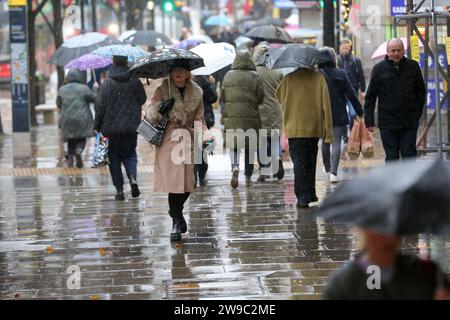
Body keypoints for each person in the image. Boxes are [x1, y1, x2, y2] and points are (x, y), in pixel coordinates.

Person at [147, 62, 209, 241]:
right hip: (169, 138)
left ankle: (176, 212)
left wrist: (205, 137)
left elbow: (200, 119)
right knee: (174, 183)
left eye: (181, 70)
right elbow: (151, 114)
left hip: (188, 138)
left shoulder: (197, 92)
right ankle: (175, 222)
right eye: (175, 70)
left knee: (189, 183)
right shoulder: (163, 89)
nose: (178, 73)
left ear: (188, 73)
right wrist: (161, 109)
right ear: (171, 73)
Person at [324, 228, 450, 299]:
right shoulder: (343, 286)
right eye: (377, 229)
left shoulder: (427, 272)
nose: (387, 238)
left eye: (392, 228)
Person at [276, 67, 333, 208]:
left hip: (294, 127)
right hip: (313, 126)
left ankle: (302, 196)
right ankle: (310, 193)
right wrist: (329, 132)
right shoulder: (318, 77)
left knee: (299, 162)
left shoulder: (288, 78)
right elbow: (326, 105)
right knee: (310, 161)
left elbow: (278, 96)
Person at [364, 38, 426, 161]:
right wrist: (369, 120)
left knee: (409, 154)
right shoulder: (378, 69)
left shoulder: (413, 66)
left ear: (403, 51)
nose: (396, 54)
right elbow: (371, 96)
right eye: (393, 51)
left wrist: (416, 114)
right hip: (387, 122)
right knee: (392, 156)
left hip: (408, 122)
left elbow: (421, 92)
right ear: (387, 52)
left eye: (399, 50)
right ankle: (394, 180)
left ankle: (410, 180)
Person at [94, 55, 147, 200]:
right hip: (130, 127)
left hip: (111, 130)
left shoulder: (107, 83)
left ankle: (119, 190)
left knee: (114, 159)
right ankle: (133, 178)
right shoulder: (134, 80)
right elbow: (142, 99)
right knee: (130, 154)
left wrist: (96, 126)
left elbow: (99, 107)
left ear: (113, 62)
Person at [319, 47, 364, 183]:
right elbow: (351, 94)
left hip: (322, 113)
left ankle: (327, 168)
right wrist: (360, 112)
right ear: (333, 59)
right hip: (338, 111)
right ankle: (334, 172)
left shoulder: (317, 75)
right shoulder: (341, 74)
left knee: (325, 142)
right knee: (337, 141)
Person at [221, 51, 264, 189]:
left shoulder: (228, 75)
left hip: (232, 116)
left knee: (234, 145)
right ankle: (248, 174)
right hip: (251, 116)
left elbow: (222, 96)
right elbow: (260, 97)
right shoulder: (255, 76)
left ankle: (234, 166)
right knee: (250, 146)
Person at [252, 42, 285, 182]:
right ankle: (277, 157)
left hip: (259, 111)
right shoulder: (277, 71)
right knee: (275, 139)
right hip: (276, 109)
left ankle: (264, 170)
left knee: (262, 142)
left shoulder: (254, 73)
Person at [56, 69, 96, 168]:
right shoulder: (84, 88)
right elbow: (93, 99)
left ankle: (70, 158)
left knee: (70, 138)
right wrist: (95, 89)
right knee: (82, 137)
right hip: (82, 118)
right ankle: (79, 151)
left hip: (66, 118)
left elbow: (58, 104)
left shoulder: (62, 89)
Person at [338, 38, 366, 142]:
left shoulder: (356, 60)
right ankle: (345, 136)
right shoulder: (337, 60)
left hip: (353, 91)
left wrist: (363, 90)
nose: (345, 50)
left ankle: (351, 131)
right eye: (343, 47)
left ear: (349, 48)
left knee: (353, 114)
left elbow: (361, 76)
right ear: (340, 48)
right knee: (342, 114)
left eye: (347, 48)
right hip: (340, 92)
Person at [193, 75, 218, 187]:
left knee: (194, 148)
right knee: (202, 147)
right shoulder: (205, 82)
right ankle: (201, 175)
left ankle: (194, 176)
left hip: (192, 119)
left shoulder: (188, 83)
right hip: (205, 118)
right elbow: (214, 98)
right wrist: (210, 84)